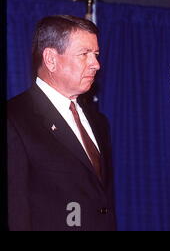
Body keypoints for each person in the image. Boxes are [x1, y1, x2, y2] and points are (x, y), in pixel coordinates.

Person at [7, 15, 116, 230]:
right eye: (84, 54)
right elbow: (15, 208)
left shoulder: (98, 121)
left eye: (95, 54)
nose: (96, 64)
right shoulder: (14, 118)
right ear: (51, 59)